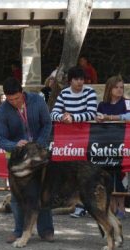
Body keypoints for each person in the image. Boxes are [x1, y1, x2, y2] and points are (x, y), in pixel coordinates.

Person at [0, 77, 54, 244]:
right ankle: (19, 230)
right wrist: (15, 145)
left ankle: (46, 230)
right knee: (17, 196)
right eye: (10, 99)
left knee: (42, 192)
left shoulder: (37, 101)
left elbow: (47, 124)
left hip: (39, 156)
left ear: (22, 93)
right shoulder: (2, 111)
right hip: (17, 160)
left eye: (17, 98)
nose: (14, 102)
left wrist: (37, 145)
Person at [50, 66, 98, 218]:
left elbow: (91, 113)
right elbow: (53, 113)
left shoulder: (89, 92)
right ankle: (72, 203)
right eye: (77, 79)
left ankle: (86, 204)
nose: (80, 82)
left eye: (82, 79)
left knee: (85, 172)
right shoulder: (64, 93)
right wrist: (63, 118)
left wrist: (73, 118)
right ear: (70, 80)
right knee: (70, 172)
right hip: (69, 140)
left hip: (85, 137)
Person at [95, 75, 130, 219]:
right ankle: (111, 207)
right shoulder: (102, 105)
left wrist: (109, 118)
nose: (119, 90)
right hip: (105, 143)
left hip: (122, 142)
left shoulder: (129, 102)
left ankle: (122, 207)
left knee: (119, 175)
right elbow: (98, 118)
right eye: (116, 87)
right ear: (109, 88)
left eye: (121, 87)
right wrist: (101, 118)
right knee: (107, 175)